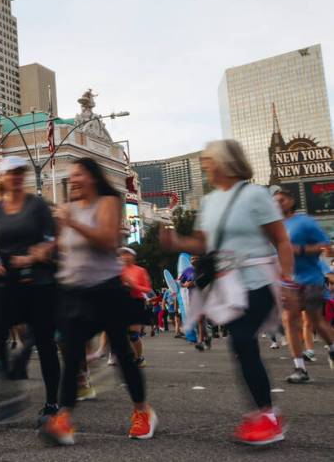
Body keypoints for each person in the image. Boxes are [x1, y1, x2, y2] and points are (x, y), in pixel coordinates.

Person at [161, 140, 295, 446]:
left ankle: (267, 416)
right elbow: (203, 244)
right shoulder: (209, 203)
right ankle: (262, 414)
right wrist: (177, 242)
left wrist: (288, 281)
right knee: (241, 346)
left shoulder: (255, 195)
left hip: (259, 279)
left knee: (243, 339)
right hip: (228, 285)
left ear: (224, 162)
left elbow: (282, 240)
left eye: (208, 160)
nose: (204, 165)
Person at [40, 158, 156, 446]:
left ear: (92, 176)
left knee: (122, 353)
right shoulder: (68, 210)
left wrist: (72, 223)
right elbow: (63, 248)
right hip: (74, 293)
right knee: (72, 354)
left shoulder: (108, 202)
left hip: (106, 292)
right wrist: (43, 250)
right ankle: (64, 417)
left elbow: (106, 241)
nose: (73, 180)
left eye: (78, 174)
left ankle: (143, 411)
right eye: (71, 176)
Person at [0, 156, 60, 425]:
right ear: (1, 177)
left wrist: (36, 254)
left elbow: (51, 237)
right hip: (7, 281)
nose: (16, 177)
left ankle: (51, 404)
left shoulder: (36, 205)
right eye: (11, 173)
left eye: (20, 173)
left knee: (45, 342)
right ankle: (8, 392)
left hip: (38, 280)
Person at [273, 187, 334, 381]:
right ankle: (300, 369)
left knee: (314, 320)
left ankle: (332, 347)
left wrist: (299, 249)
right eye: (274, 201)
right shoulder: (273, 227)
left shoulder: (305, 222)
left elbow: (327, 248)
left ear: (291, 201)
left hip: (311, 279)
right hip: (289, 281)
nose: (277, 204)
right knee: (289, 320)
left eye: (281, 200)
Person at [119, 247, 153, 367]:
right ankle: (128, 356)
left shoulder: (140, 270)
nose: (125, 257)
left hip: (136, 302)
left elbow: (147, 289)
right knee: (121, 334)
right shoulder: (118, 271)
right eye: (123, 255)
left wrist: (133, 285)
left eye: (128, 254)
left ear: (133, 257)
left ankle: (139, 358)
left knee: (133, 335)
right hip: (121, 303)